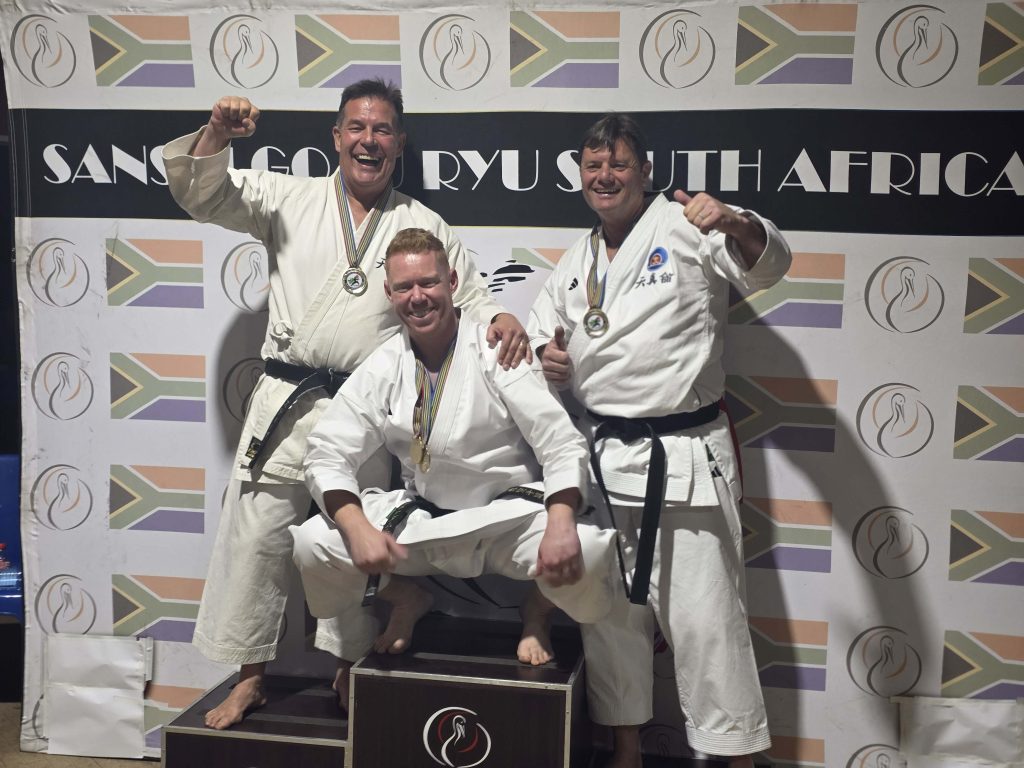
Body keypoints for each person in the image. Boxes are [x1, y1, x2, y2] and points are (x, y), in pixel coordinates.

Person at [162, 79, 530, 729]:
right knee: (257, 542)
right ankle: (250, 678)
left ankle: (348, 665)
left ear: (399, 143)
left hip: (363, 408)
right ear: (336, 137)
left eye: (382, 129)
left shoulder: (421, 224)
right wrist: (216, 133)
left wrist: (499, 317)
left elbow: (466, 295)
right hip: (286, 399)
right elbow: (204, 194)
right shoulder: (289, 198)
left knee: (347, 542)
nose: (369, 140)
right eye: (357, 127)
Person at [529, 114, 792, 767]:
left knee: (708, 625)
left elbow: (770, 265)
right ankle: (626, 751)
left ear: (645, 171)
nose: (605, 176)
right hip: (603, 460)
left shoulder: (686, 226)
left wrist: (735, 221)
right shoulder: (576, 261)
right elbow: (541, 337)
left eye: (618, 164)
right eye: (593, 166)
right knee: (610, 619)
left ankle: (736, 758)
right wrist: (546, 358)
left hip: (682, 458)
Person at [291, 228, 619, 710]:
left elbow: (560, 441)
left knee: (588, 550)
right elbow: (326, 451)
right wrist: (356, 526)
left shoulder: (498, 349)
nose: (417, 297)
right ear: (389, 293)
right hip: (425, 523)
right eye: (404, 287)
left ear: (452, 282)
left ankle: (538, 610)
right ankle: (405, 597)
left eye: (428, 283)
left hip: (507, 522)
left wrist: (561, 520)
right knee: (313, 542)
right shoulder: (384, 364)